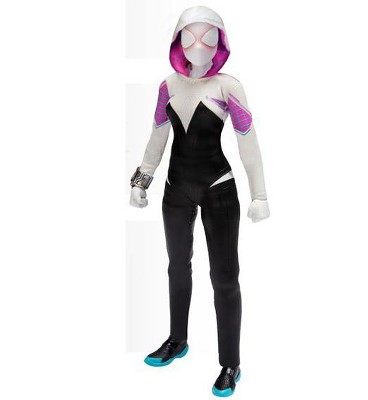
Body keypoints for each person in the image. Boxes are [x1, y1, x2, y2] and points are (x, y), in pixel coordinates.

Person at [129, 5, 270, 397]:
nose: (199, 44)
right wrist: (141, 180)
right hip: (176, 188)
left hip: (218, 188)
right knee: (177, 267)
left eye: (208, 36)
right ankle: (177, 340)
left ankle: (230, 364)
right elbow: (157, 136)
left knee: (224, 277)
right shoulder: (167, 87)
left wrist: (259, 194)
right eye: (190, 35)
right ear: (178, 40)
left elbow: (248, 142)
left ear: (219, 42)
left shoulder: (228, 87)